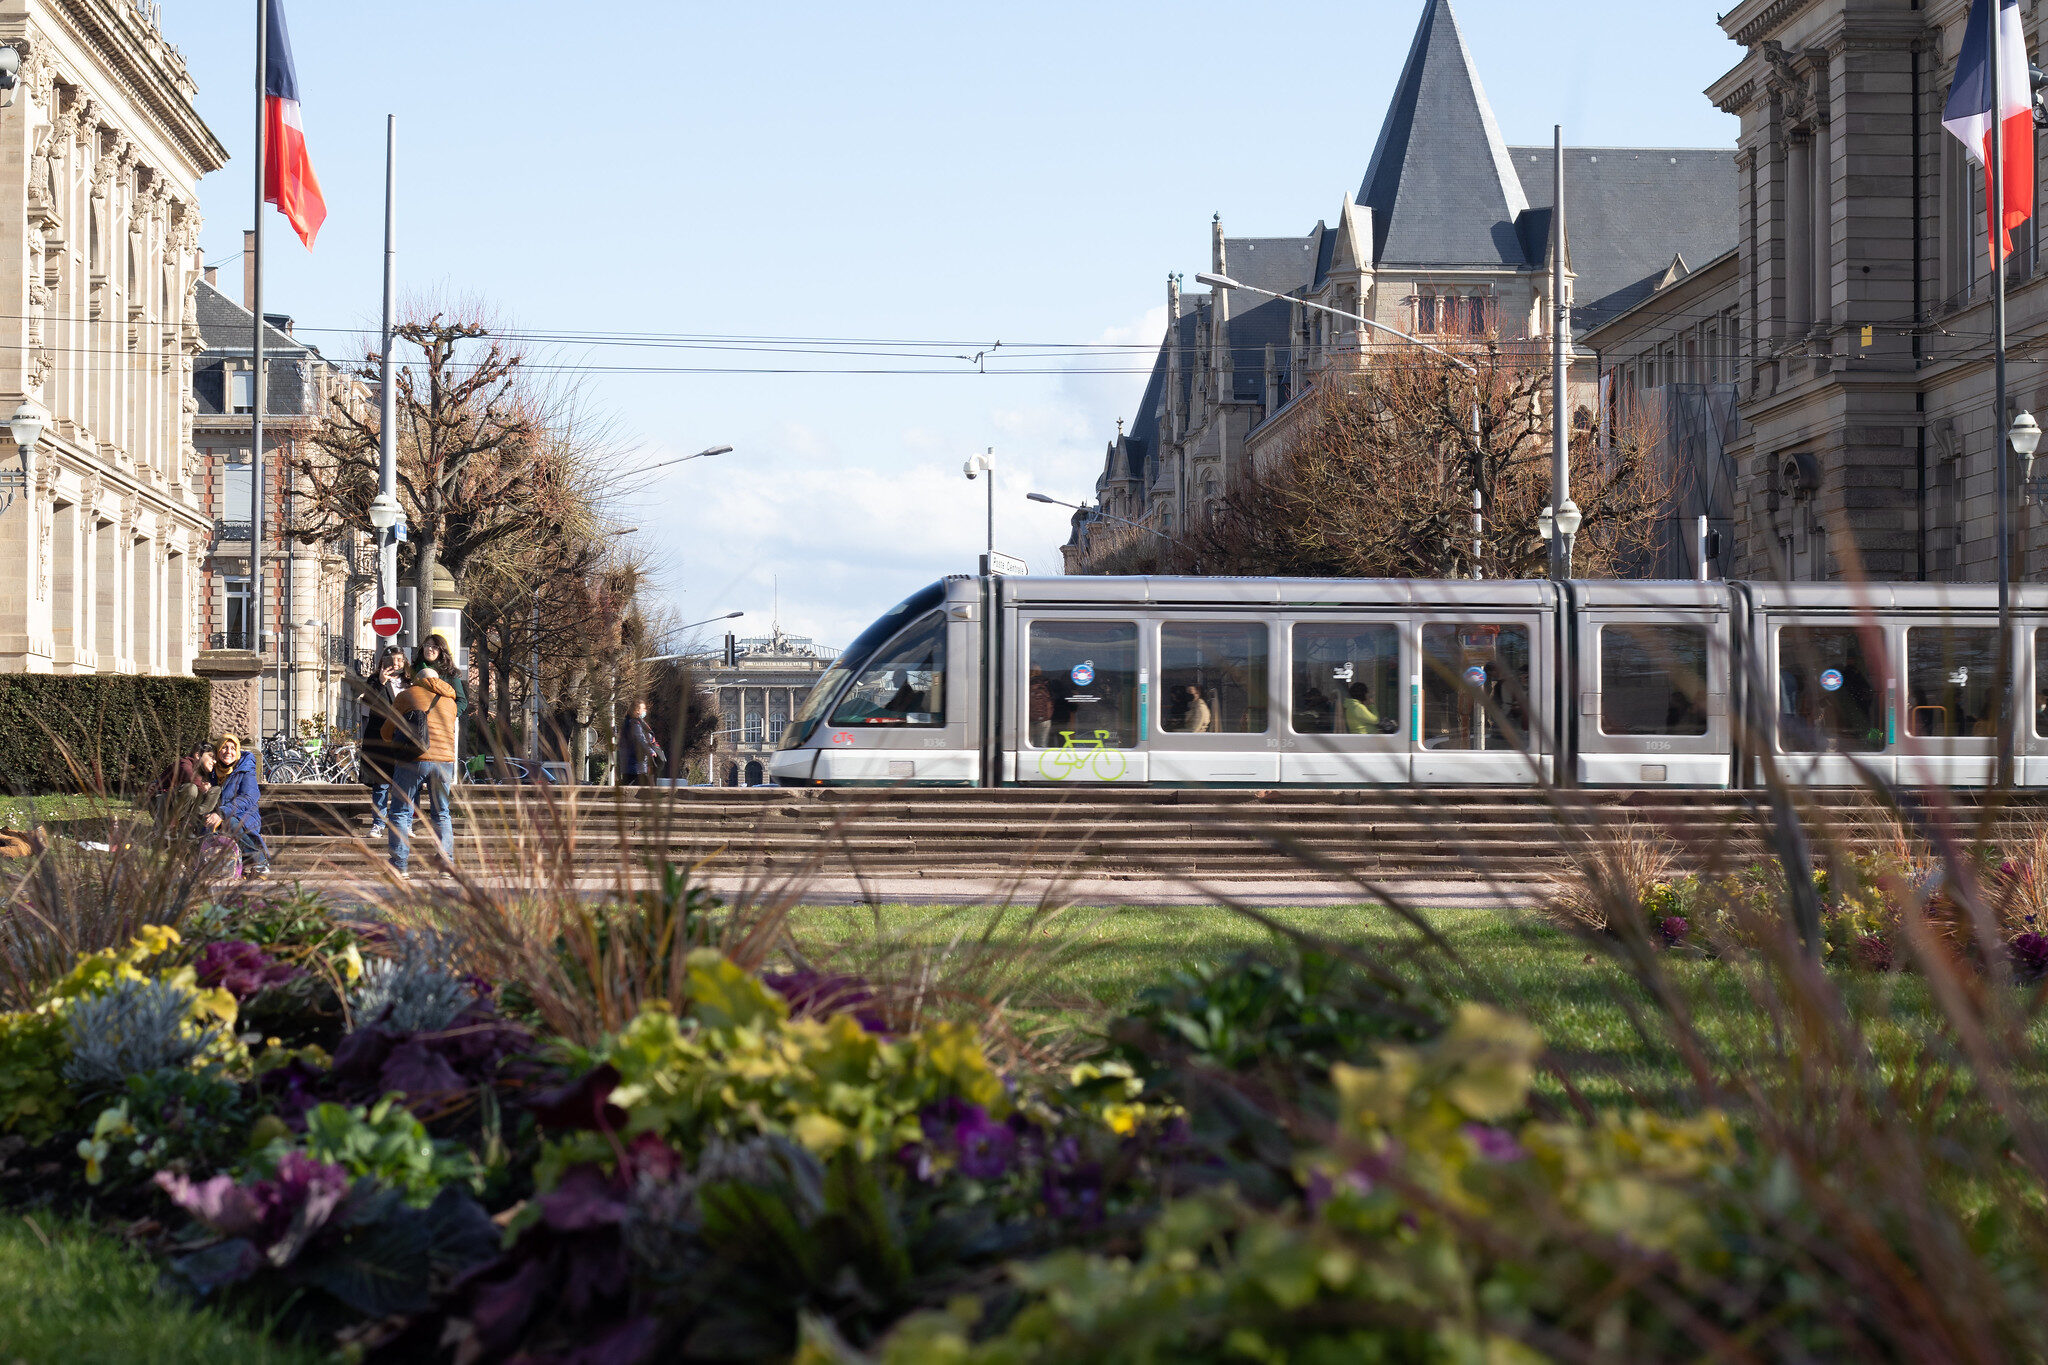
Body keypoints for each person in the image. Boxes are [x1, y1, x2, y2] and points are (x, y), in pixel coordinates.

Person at [384, 663, 461, 878]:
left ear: (418, 680)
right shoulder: (450, 700)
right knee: (442, 812)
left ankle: (399, 867)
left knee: (400, 810)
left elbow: (387, 730)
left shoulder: (407, 696)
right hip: (445, 761)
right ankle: (446, 865)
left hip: (414, 758)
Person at [358, 646, 411, 837]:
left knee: (403, 783)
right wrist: (381, 682)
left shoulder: (410, 682)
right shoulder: (375, 680)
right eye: (391, 660)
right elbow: (369, 702)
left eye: (399, 660)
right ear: (383, 662)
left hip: (403, 740)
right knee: (380, 784)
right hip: (380, 738)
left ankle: (404, 822)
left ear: (404, 662)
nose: (395, 664)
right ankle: (378, 823)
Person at [204, 734, 270, 877]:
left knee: (230, 823)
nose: (229, 752)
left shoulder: (244, 769)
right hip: (217, 814)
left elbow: (249, 796)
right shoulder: (212, 770)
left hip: (243, 815)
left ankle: (260, 862)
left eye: (233, 748)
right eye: (224, 748)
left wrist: (221, 813)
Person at [621, 699, 666, 787]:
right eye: (643, 708)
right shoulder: (635, 723)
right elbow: (640, 739)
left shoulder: (632, 722)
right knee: (645, 790)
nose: (645, 711)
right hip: (636, 764)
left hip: (634, 764)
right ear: (637, 710)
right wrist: (651, 751)